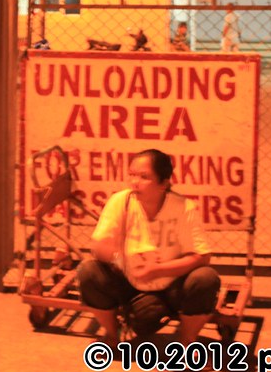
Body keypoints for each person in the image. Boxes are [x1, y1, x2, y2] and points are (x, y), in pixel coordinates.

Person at [77, 149, 225, 347]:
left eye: (144, 177)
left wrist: (158, 270)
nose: (134, 182)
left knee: (205, 278)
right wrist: (123, 259)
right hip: (129, 283)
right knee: (88, 271)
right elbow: (98, 246)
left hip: (171, 287)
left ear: (164, 183)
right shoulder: (120, 201)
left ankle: (187, 342)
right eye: (132, 174)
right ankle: (113, 335)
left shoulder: (184, 207)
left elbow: (201, 257)